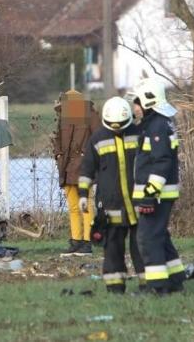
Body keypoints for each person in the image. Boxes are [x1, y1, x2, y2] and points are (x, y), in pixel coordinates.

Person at [79, 97, 145, 293]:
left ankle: (148, 286)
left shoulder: (139, 134)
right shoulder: (97, 139)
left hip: (139, 204)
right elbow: (87, 169)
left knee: (141, 248)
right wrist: (83, 194)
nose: (117, 129)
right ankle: (115, 288)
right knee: (113, 250)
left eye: (121, 126)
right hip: (110, 207)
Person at [129, 78, 185, 295]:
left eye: (137, 102)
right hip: (161, 193)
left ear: (148, 101)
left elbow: (161, 162)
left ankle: (157, 286)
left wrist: (149, 195)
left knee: (148, 237)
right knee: (160, 235)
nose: (134, 107)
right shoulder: (160, 123)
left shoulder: (157, 126)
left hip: (157, 194)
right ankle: (176, 279)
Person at [53, 90, 100, 256]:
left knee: (86, 206)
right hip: (66, 168)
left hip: (84, 169)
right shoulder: (63, 118)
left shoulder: (92, 116)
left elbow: (99, 139)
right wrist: (57, 154)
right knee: (73, 207)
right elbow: (57, 138)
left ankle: (87, 242)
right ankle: (75, 241)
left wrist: (89, 157)